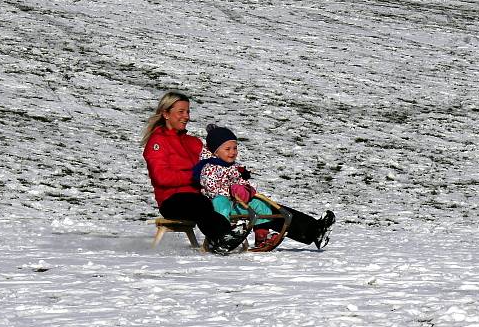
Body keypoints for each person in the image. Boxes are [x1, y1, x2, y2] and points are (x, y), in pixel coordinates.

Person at [142, 91, 336, 253]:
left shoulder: (193, 142)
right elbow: (161, 178)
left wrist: (233, 171)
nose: (186, 116)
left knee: (258, 202)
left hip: (207, 193)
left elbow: (217, 160)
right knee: (200, 203)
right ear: (166, 114)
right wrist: (197, 176)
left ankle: (312, 230)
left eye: (188, 111)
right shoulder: (157, 143)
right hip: (174, 200)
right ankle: (221, 237)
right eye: (181, 112)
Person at [195, 124, 284, 250]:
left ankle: (262, 234)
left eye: (235, 148)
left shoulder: (235, 167)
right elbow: (211, 188)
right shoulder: (208, 167)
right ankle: (222, 235)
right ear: (216, 151)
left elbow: (243, 181)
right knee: (221, 202)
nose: (232, 152)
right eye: (228, 149)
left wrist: (246, 189)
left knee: (260, 203)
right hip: (216, 205)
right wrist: (231, 190)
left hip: (236, 203)